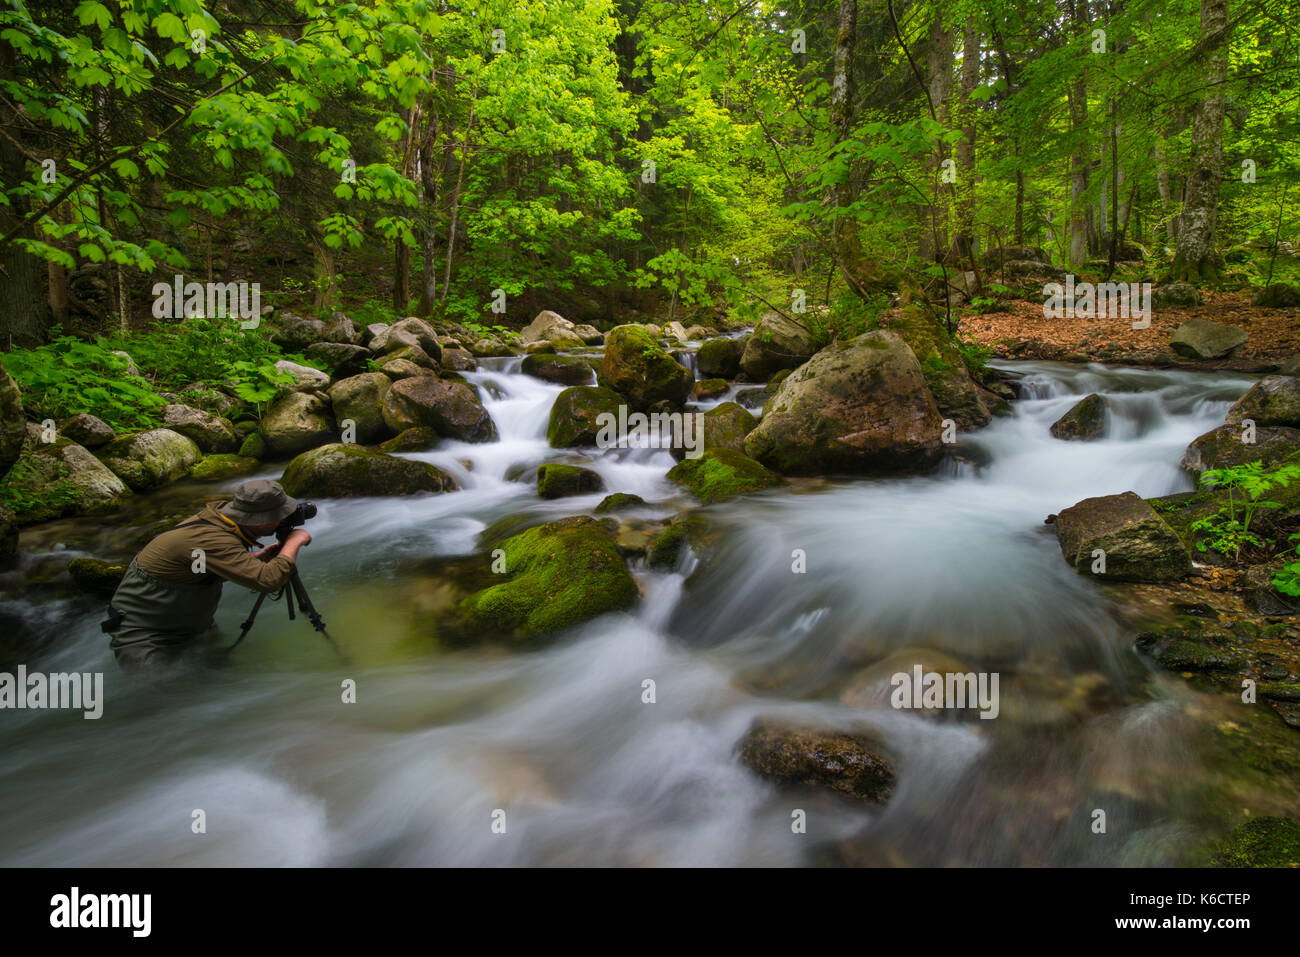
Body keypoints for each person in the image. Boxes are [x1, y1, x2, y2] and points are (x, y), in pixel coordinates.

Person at [104, 480, 313, 669]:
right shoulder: (211, 539)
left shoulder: (219, 520)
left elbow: (199, 566)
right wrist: (294, 542)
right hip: (145, 635)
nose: (285, 519)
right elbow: (268, 580)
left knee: (220, 678)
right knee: (163, 698)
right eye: (279, 516)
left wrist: (254, 560)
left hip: (191, 626)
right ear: (259, 520)